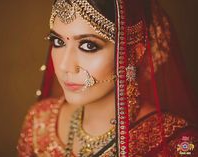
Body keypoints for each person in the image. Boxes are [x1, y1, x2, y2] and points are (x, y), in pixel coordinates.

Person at [17, 0, 198, 156]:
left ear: (133, 54)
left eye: (88, 46)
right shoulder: (39, 121)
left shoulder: (177, 141)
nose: (65, 66)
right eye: (58, 42)